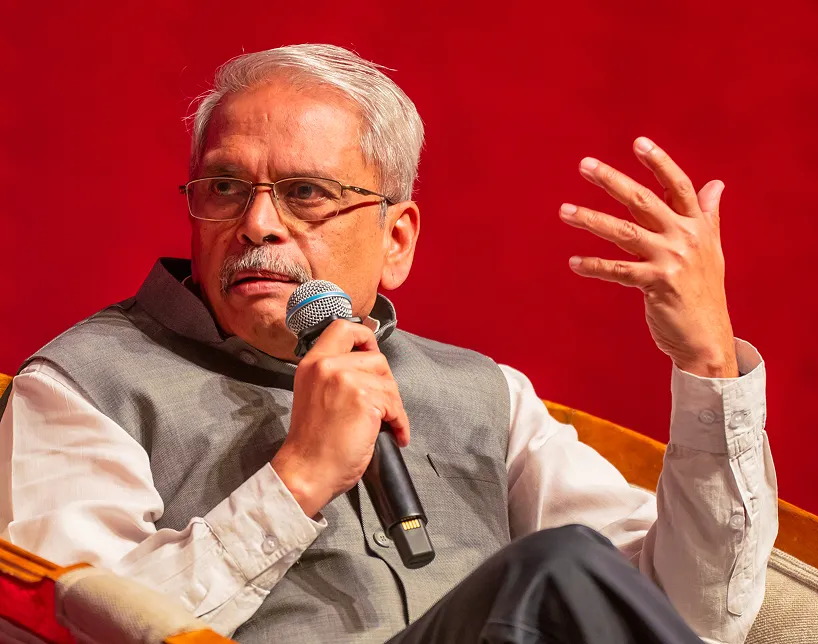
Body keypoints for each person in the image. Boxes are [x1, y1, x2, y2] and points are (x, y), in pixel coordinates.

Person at [0, 44, 775, 644]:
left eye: (305, 193)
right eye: (225, 188)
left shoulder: (485, 394)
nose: (258, 224)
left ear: (396, 240)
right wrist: (298, 478)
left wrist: (707, 365)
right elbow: (64, 626)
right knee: (557, 571)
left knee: (576, 573)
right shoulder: (84, 384)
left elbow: (690, 619)